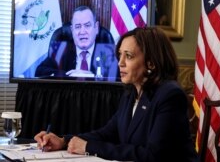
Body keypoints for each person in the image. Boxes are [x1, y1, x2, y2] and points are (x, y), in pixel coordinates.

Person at [34, 27, 199, 162]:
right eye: (119, 55)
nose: (120, 63)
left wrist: (88, 147)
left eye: (128, 56)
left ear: (151, 62)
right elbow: (107, 133)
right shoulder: (131, 93)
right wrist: (64, 141)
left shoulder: (170, 95)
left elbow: (153, 156)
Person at [35, 6, 118, 81]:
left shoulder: (108, 52)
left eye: (87, 25)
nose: (82, 32)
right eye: (77, 27)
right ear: (72, 30)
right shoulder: (60, 50)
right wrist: (69, 76)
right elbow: (40, 71)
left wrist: (92, 76)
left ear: (96, 28)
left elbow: (117, 78)